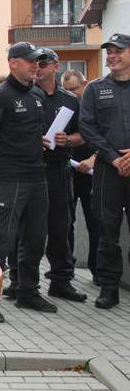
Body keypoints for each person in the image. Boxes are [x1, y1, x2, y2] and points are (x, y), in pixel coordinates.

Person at [0, 42, 56, 313]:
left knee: (35, 238)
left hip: (36, 176)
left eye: (38, 61)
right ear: (13, 63)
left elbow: (32, 132)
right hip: (9, 178)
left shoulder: (36, 94)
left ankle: (27, 291)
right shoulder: (1, 96)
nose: (36, 65)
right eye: (30, 61)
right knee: (0, 241)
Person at [79, 33, 130, 309]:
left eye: (118, 51)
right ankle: (109, 288)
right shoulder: (95, 89)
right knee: (107, 230)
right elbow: (87, 127)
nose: (112, 56)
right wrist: (113, 158)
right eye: (108, 52)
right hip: (108, 171)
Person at [34, 49, 87, 302]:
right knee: (30, 229)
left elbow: (82, 134)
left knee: (60, 226)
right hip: (31, 169)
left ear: (55, 67)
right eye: (35, 63)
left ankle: (61, 280)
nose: (38, 68)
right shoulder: (25, 95)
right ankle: (24, 283)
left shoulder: (69, 100)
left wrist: (68, 140)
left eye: (43, 63)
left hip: (58, 169)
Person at [60, 69, 99, 282]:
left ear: (84, 85)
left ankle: (96, 268)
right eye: (66, 90)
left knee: (95, 221)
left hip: (92, 170)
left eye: (74, 89)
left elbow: (101, 136)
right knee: (66, 221)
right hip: (68, 169)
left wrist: (93, 158)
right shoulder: (64, 107)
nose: (71, 93)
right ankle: (67, 265)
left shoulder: (92, 108)